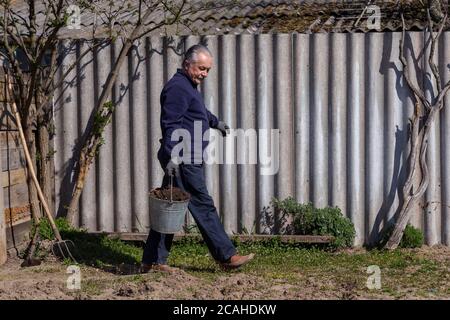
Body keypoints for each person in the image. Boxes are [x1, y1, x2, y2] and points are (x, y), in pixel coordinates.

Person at [141, 44, 255, 273]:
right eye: (201, 68)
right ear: (187, 64)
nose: (204, 74)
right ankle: (226, 256)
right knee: (203, 205)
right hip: (182, 158)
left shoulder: (188, 86)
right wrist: (172, 156)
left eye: (207, 70)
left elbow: (196, 112)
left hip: (186, 157)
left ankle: (152, 261)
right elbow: (171, 124)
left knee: (168, 207)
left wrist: (215, 122)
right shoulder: (177, 88)